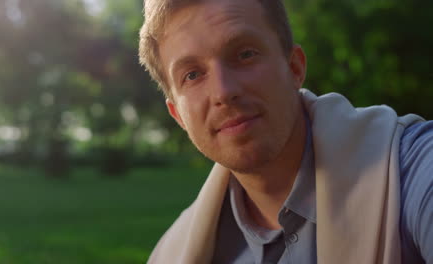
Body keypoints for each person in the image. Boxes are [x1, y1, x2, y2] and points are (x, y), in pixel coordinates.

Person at [138, 0, 433, 263]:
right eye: (192, 75)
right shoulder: (172, 254)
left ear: (294, 68)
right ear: (177, 115)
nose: (224, 92)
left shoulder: (408, 171)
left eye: (244, 54)